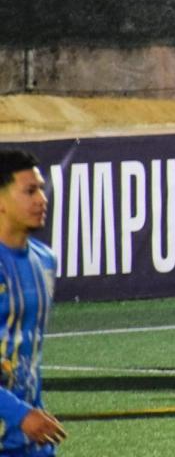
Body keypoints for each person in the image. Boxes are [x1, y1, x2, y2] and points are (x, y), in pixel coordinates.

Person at [0, 150, 66, 456]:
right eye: (30, 191)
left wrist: (32, 413)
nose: (42, 199)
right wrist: (19, 414)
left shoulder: (45, 260)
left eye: (41, 188)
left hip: (30, 443)